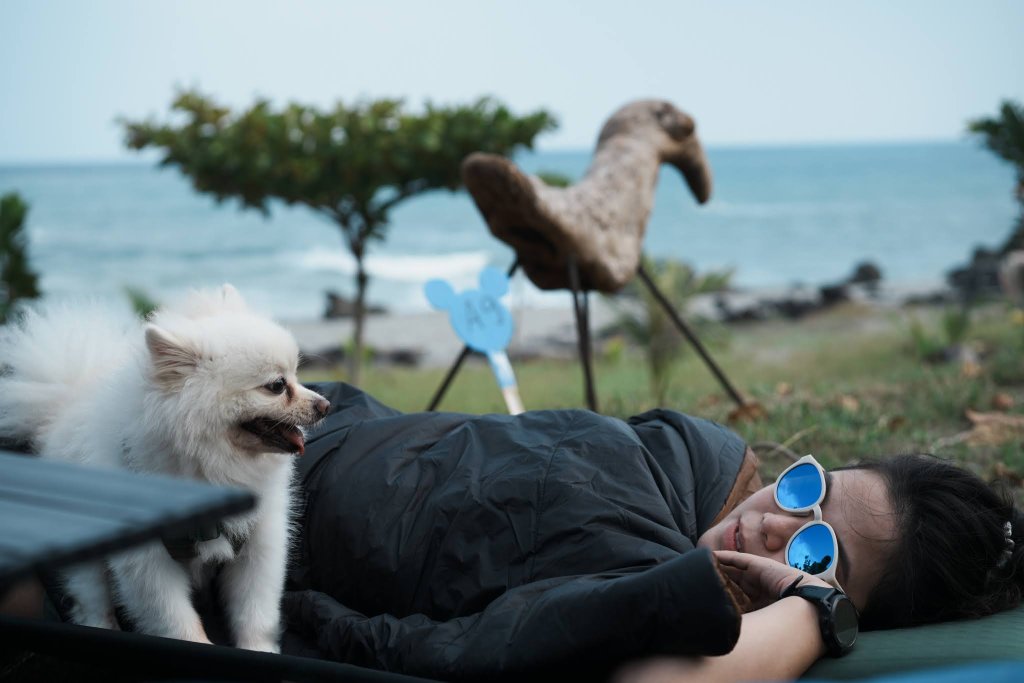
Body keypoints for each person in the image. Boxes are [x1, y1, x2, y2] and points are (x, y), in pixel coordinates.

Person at [279, 382, 1023, 682]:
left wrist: (809, 610)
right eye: (807, 487)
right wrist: (819, 602)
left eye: (815, 549)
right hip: (307, 434)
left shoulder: (653, 581)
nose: (772, 522)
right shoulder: (692, 456)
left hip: (266, 513)